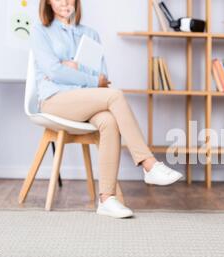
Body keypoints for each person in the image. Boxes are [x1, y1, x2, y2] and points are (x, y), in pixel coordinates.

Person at [31, 0, 183, 219]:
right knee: (116, 95)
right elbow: (54, 72)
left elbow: (102, 76)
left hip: (85, 100)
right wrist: (84, 76)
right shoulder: (40, 30)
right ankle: (149, 164)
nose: (64, 2)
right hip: (54, 99)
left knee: (109, 121)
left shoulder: (90, 34)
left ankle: (107, 199)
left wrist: (72, 68)